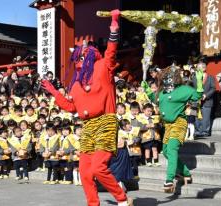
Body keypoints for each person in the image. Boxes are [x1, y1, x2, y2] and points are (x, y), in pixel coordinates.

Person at [42, 9, 132, 206]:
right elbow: (70, 107)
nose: (80, 60)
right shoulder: (75, 84)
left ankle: (122, 199)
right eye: (77, 58)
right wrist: (54, 92)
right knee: (84, 172)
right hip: (87, 126)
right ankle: (93, 203)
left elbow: (112, 47)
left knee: (99, 168)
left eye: (83, 57)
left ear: (92, 56)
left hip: (106, 122)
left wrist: (114, 21)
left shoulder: (103, 67)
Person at [158, 66, 201, 192]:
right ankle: (186, 173)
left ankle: (169, 180)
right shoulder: (162, 92)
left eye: (169, 77)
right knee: (165, 151)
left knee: (171, 149)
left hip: (179, 123)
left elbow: (197, 96)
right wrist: (146, 90)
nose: (167, 80)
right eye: (165, 78)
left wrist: (199, 82)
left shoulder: (184, 90)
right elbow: (156, 100)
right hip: (167, 125)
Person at [193, 63, 216, 137]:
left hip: (207, 100)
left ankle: (205, 131)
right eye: (198, 68)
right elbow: (191, 88)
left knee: (206, 117)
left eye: (200, 68)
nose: (199, 69)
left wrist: (206, 95)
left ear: (204, 68)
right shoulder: (194, 77)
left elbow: (213, 88)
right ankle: (197, 131)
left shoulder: (210, 77)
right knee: (197, 117)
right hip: (196, 100)